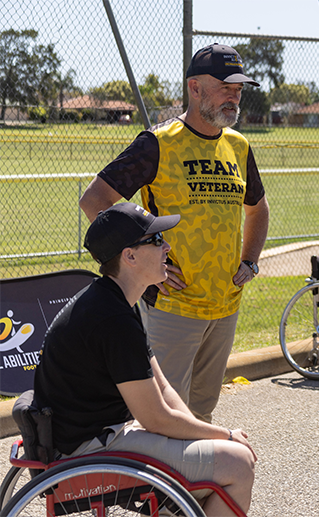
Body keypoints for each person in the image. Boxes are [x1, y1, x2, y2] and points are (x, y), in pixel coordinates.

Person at [79, 43, 270, 423]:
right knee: (164, 416)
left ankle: (194, 484)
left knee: (202, 413)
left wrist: (250, 260)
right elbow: (95, 200)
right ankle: (154, 483)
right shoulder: (158, 144)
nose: (234, 96)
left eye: (239, 89)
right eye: (225, 87)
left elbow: (258, 210)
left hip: (225, 305)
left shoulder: (238, 145)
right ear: (194, 88)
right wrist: (141, 266)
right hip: (173, 306)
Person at [34, 203, 257, 516]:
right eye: (156, 240)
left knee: (220, 457)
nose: (167, 246)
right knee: (239, 464)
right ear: (130, 256)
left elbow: (163, 388)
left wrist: (204, 432)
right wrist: (227, 436)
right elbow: (156, 419)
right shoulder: (112, 318)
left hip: (95, 439)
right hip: (87, 455)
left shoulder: (116, 300)